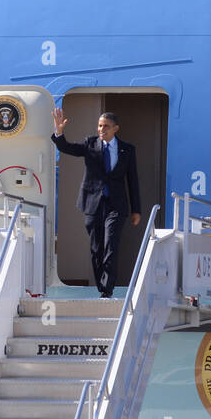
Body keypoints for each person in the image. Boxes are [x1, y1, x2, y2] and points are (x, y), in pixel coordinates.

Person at [51, 107, 141, 297]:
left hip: (116, 205)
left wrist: (136, 210)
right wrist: (59, 132)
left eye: (106, 126)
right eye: (100, 126)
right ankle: (102, 285)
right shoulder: (90, 144)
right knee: (96, 248)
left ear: (116, 128)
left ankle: (107, 289)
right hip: (93, 204)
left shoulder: (127, 149)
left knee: (111, 245)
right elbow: (66, 147)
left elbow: (132, 180)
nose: (102, 129)